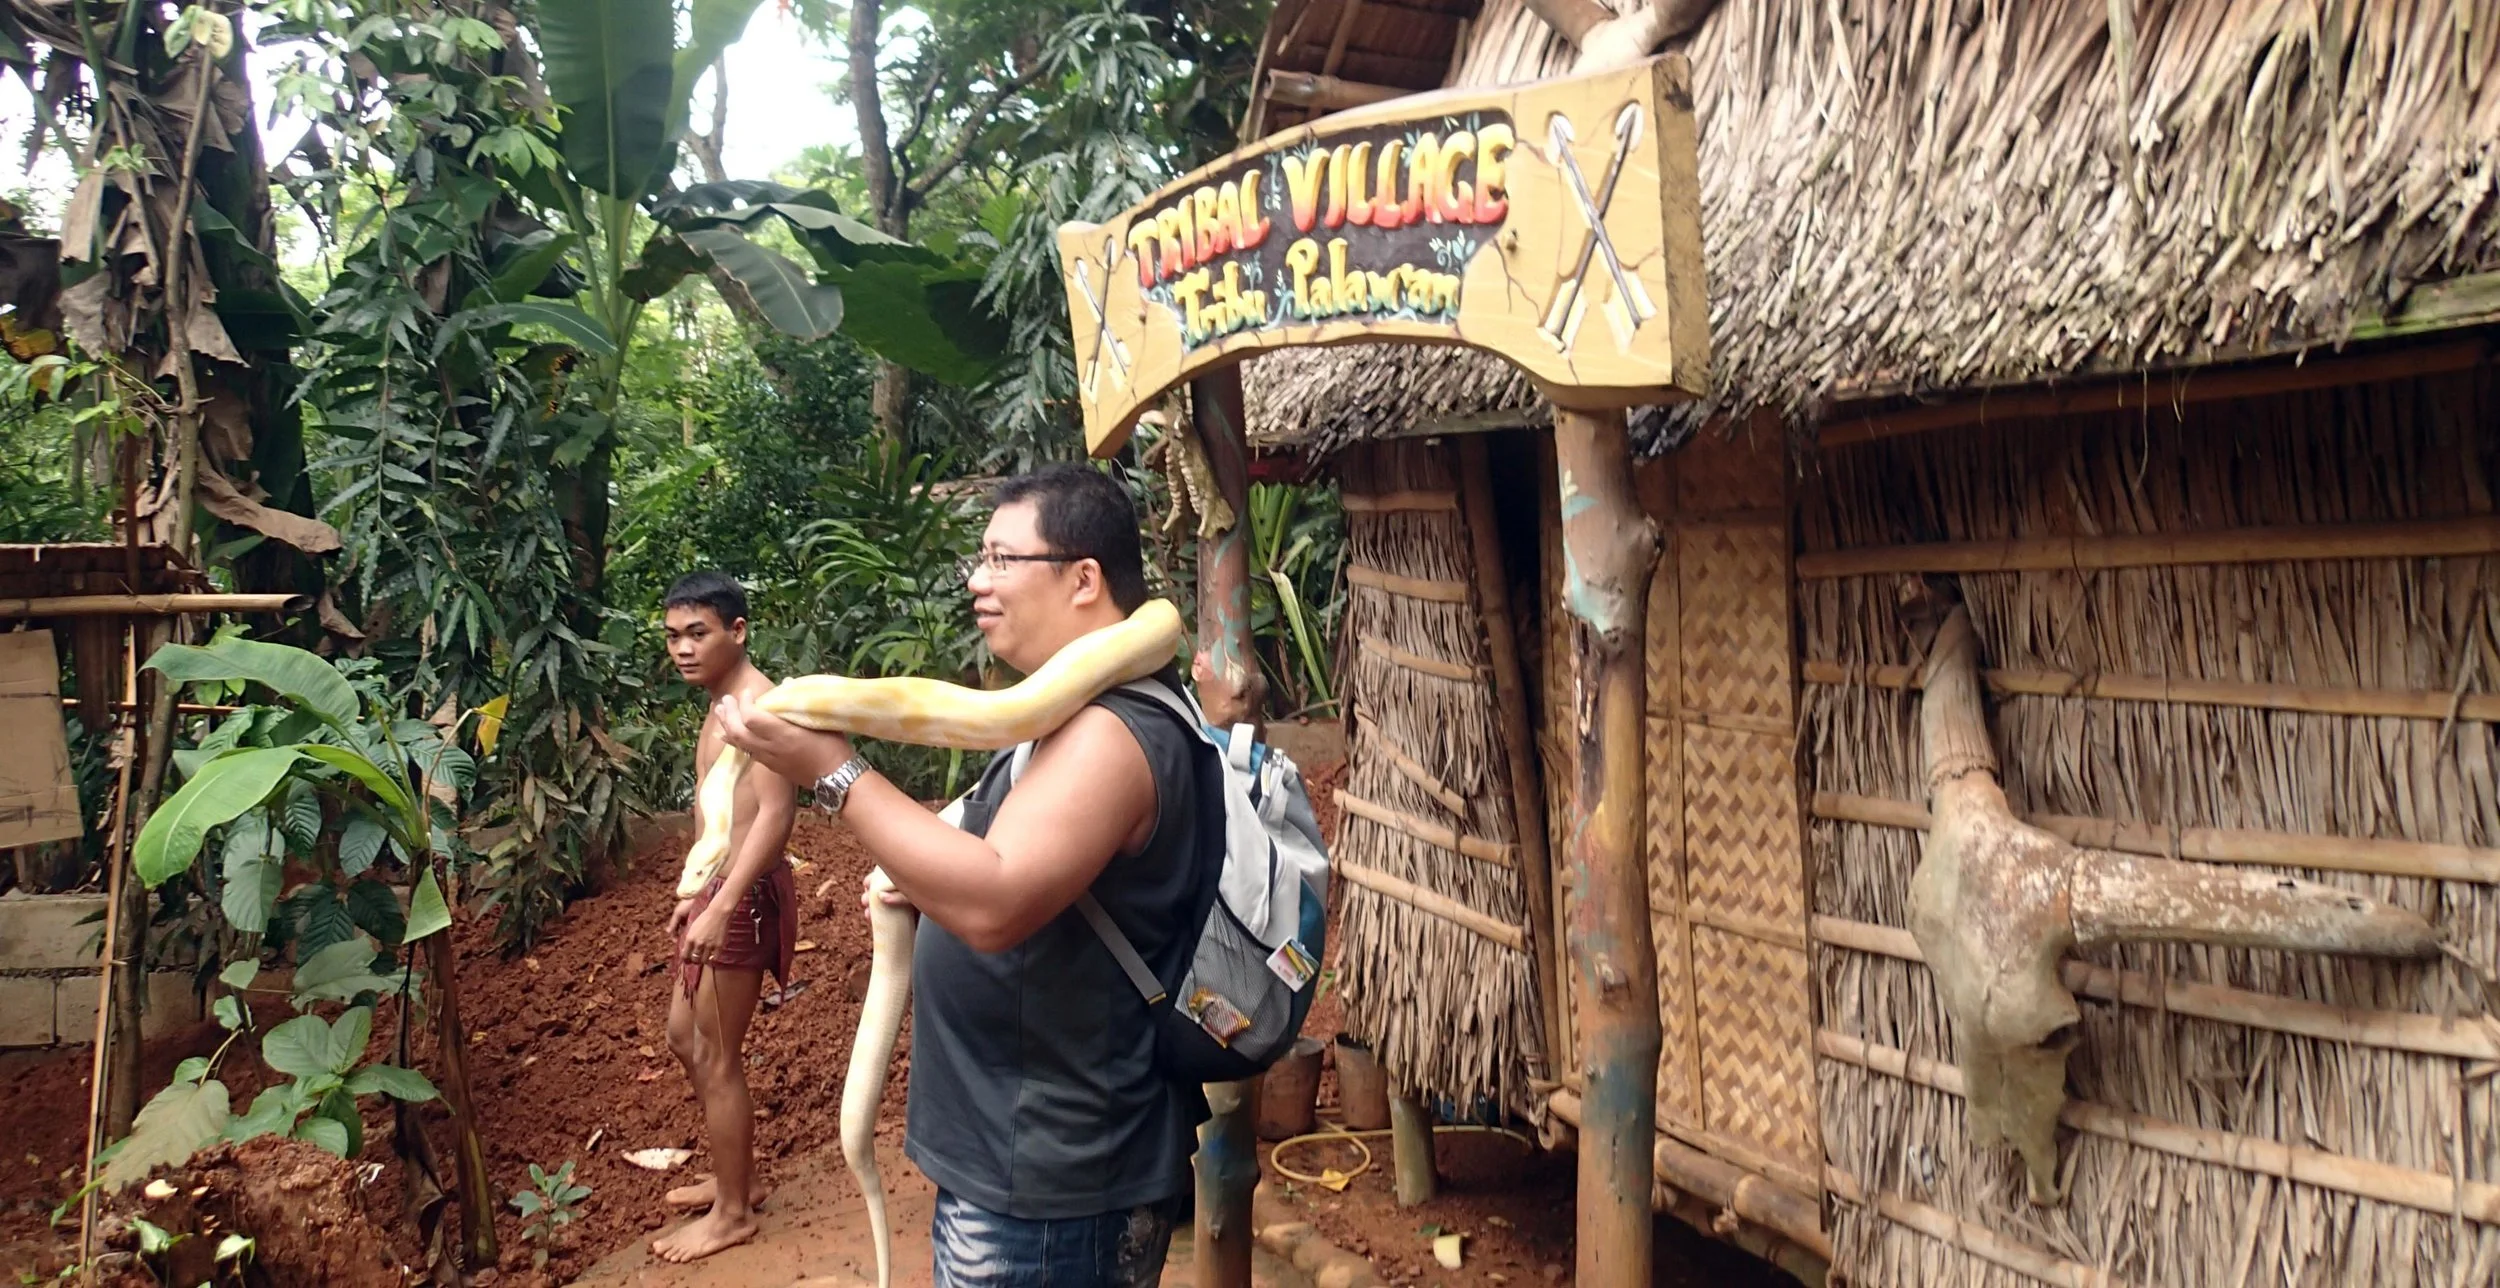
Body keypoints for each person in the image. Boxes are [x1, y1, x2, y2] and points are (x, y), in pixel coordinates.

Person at [715, 463, 1220, 1288]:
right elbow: (998, 852)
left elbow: (992, 901)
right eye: (976, 562)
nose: (977, 584)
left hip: (1056, 1183)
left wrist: (833, 773)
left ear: (1084, 577)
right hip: (1018, 1162)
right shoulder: (1057, 714)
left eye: (1000, 560)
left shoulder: (1113, 733)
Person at [652, 570, 801, 1264]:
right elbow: (718, 811)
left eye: (698, 634)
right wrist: (692, 890)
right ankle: (733, 1171)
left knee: (715, 1054)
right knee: (687, 1041)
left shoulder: (763, 708)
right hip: (713, 892)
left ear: (737, 632)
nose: (683, 649)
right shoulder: (720, 705)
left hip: (740, 899)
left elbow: (776, 814)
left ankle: (733, 1212)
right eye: (674, 636)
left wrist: (727, 902)